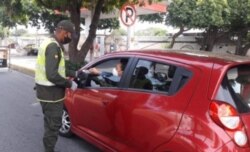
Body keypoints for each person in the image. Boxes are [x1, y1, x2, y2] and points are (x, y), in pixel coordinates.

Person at [35, 20, 78, 152]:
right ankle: (49, 149)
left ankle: (48, 148)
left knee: (50, 124)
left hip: (47, 93)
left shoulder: (50, 42)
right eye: (70, 35)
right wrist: (69, 83)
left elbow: (58, 69)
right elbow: (52, 75)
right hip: (51, 95)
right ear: (64, 32)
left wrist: (75, 73)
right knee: (53, 126)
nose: (69, 38)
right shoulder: (53, 46)